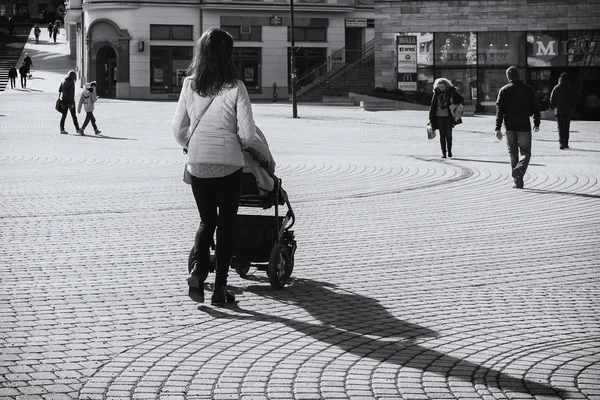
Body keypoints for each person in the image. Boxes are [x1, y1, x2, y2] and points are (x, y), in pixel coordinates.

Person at [173, 27, 256, 305]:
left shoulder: (189, 84)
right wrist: (238, 145)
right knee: (226, 224)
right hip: (228, 167)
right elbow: (248, 134)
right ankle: (221, 289)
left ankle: (198, 273)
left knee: (206, 220)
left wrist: (191, 145)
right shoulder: (235, 87)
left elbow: (177, 129)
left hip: (198, 165)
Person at [495, 66, 541, 189]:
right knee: (525, 152)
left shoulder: (504, 90)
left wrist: (497, 128)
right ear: (519, 75)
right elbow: (536, 107)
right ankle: (520, 168)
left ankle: (517, 181)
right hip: (524, 125)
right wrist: (536, 122)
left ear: (508, 77)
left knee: (513, 153)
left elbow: (500, 111)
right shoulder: (528, 89)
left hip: (509, 126)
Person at [428, 77, 464, 158]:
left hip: (449, 116)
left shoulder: (451, 92)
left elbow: (461, 99)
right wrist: (430, 119)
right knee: (442, 135)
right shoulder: (436, 93)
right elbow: (432, 106)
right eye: (439, 87)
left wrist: (453, 100)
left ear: (446, 86)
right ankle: (444, 152)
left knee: (449, 134)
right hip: (438, 116)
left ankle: (450, 151)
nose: (441, 89)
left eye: (442, 87)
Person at [550, 73, 577, 149]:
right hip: (568, 111)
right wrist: (573, 109)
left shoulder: (556, 88)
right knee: (567, 126)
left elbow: (552, 99)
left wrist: (555, 107)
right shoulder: (570, 88)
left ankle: (561, 143)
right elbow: (574, 100)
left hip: (559, 111)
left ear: (560, 79)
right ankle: (566, 142)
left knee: (560, 127)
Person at [58, 70, 82, 135]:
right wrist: (72, 104)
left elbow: (59, 90)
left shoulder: (63, 81)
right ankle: (77, 129)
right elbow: (72, 94)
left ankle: (62, 129)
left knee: (63, 115)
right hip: (69, 101)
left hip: (63, 101)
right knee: (74, 116)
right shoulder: (71, 82)